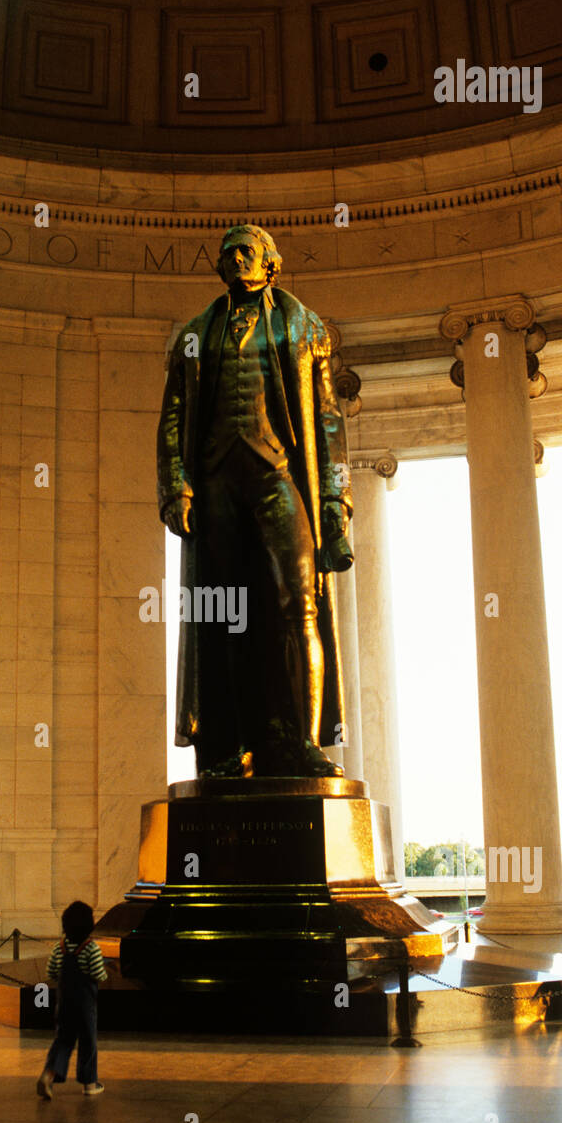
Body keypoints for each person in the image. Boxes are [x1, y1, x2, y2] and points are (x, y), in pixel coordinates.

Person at [158, 223, 354, 779]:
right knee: (223, 615)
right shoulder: (196, 334)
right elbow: (172, 417)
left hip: (279, 476)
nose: (237, 259)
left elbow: (329, 420)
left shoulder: (303, 326)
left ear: (272, 264)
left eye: (248, 251)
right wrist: (175, 482)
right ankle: (229, 746)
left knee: (300, 604)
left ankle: (302, 741)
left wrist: (336, 500)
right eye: (228, 254)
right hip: (218, 483)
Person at [36, 900, 108, 1098]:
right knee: (88, 1042)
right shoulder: (91, 948)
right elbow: (99, 974)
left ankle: (49, 1074)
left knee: (63, 1040)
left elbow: (51, 971)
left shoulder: (60, 948)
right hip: (85, 1005)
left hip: (65, 1003)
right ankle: (89, 1083)